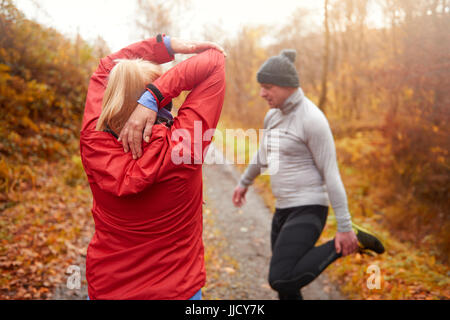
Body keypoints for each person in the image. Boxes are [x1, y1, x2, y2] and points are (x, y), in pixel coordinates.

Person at [79, 34, 226, 300]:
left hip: (108, 290)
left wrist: (165, 46)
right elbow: (215, 61)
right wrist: (155, 94)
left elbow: (105, 68)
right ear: (161, 104)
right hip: (177, 291)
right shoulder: (183, 148)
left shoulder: (92, 142)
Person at [232, 49, 384, 300]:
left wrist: (344, 227)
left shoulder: (312, 119)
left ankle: (354, 241)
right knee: (287, 286)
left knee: (280, 277)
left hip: (310, 207)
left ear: (286, 86)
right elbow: (263, 155)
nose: (262, 93)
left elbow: (331, 173)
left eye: (267, 87)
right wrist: (244, 182)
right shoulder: (272, 116)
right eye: (261, 87)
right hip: (282, 210)